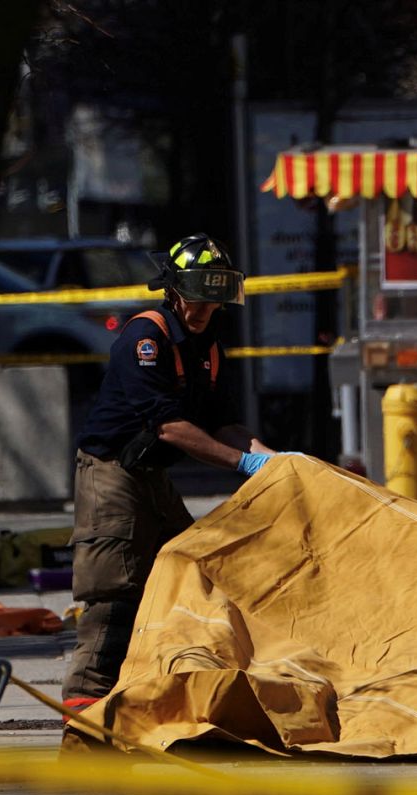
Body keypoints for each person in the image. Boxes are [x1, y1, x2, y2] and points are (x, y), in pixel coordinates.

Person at [62, 233, 277, 716]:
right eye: (198, 298)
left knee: (187, 571)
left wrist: (272, 459)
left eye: (213, 299)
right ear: (175, 291)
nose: (205, 310)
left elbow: (224, 423)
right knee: (112, 595)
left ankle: (153, 694)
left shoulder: (209, 348)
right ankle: (85, 721)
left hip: (152, 476)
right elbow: (169, 425)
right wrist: (241, 463)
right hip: (112, 473)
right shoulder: (146, 338)